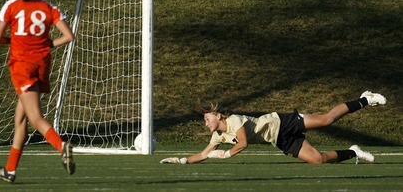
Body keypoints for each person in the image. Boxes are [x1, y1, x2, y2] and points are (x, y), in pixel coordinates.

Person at [0, 0, 75, 183]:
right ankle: (10, 170)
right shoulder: (49, 8)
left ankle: (61, 146)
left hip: (22, 67)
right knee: (20, 119)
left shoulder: (12, 5)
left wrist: (16, 41)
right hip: (42, 65)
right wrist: (48, 44)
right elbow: (68, 36)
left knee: (35, 117)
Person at [160, 91, 386, 165]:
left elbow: (244, 143)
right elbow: (203, 154)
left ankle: (365, 99)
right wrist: (181, 160)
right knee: (318, 160)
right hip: (278, 139)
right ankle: (354, 151)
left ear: (218, 115)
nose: (205, 123)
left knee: (327, 120)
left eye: (207, 118)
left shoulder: (235, 120)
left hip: (282, 122)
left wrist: (227, 154)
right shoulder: (219, 135)